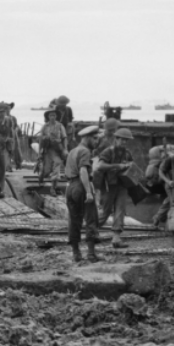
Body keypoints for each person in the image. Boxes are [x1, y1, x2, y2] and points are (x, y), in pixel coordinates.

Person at [65, 125, 101, 262]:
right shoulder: (85, 151)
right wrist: (88, 192)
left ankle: (76, 253)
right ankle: (91, 254)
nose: (97, 141)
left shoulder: (73, 151)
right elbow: (83, 171)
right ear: (86, 138)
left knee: (74, 221)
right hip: (81, 186)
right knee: (91, 218)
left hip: (70, 187)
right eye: (95, 138)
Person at [96, 128, 134, 248]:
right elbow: (100, 166)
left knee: (120, 211)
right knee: (105, 212)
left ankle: (116, 239)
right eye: (122, 140)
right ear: (116, 139)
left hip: (122, 185)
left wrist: (130, 167)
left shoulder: (127, 153)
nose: (124, 142)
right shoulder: (108, 152)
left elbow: (132, 166)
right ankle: (91, 230)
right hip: (108, 186)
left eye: (126, 140)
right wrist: (118, 166)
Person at [37, 109, 68, 194]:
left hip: (57, 150)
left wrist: (65, 149)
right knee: (46, 170)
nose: (52, 117)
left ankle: (53, 188)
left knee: (56, 168)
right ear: (48, 117)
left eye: (54, 115)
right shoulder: (45, 127)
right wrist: (40, 153)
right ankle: (42, 176)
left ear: (56, 116)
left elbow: (64, 138)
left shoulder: (60, 126)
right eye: (51, 115)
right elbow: (40, 141)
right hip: (47, 151)